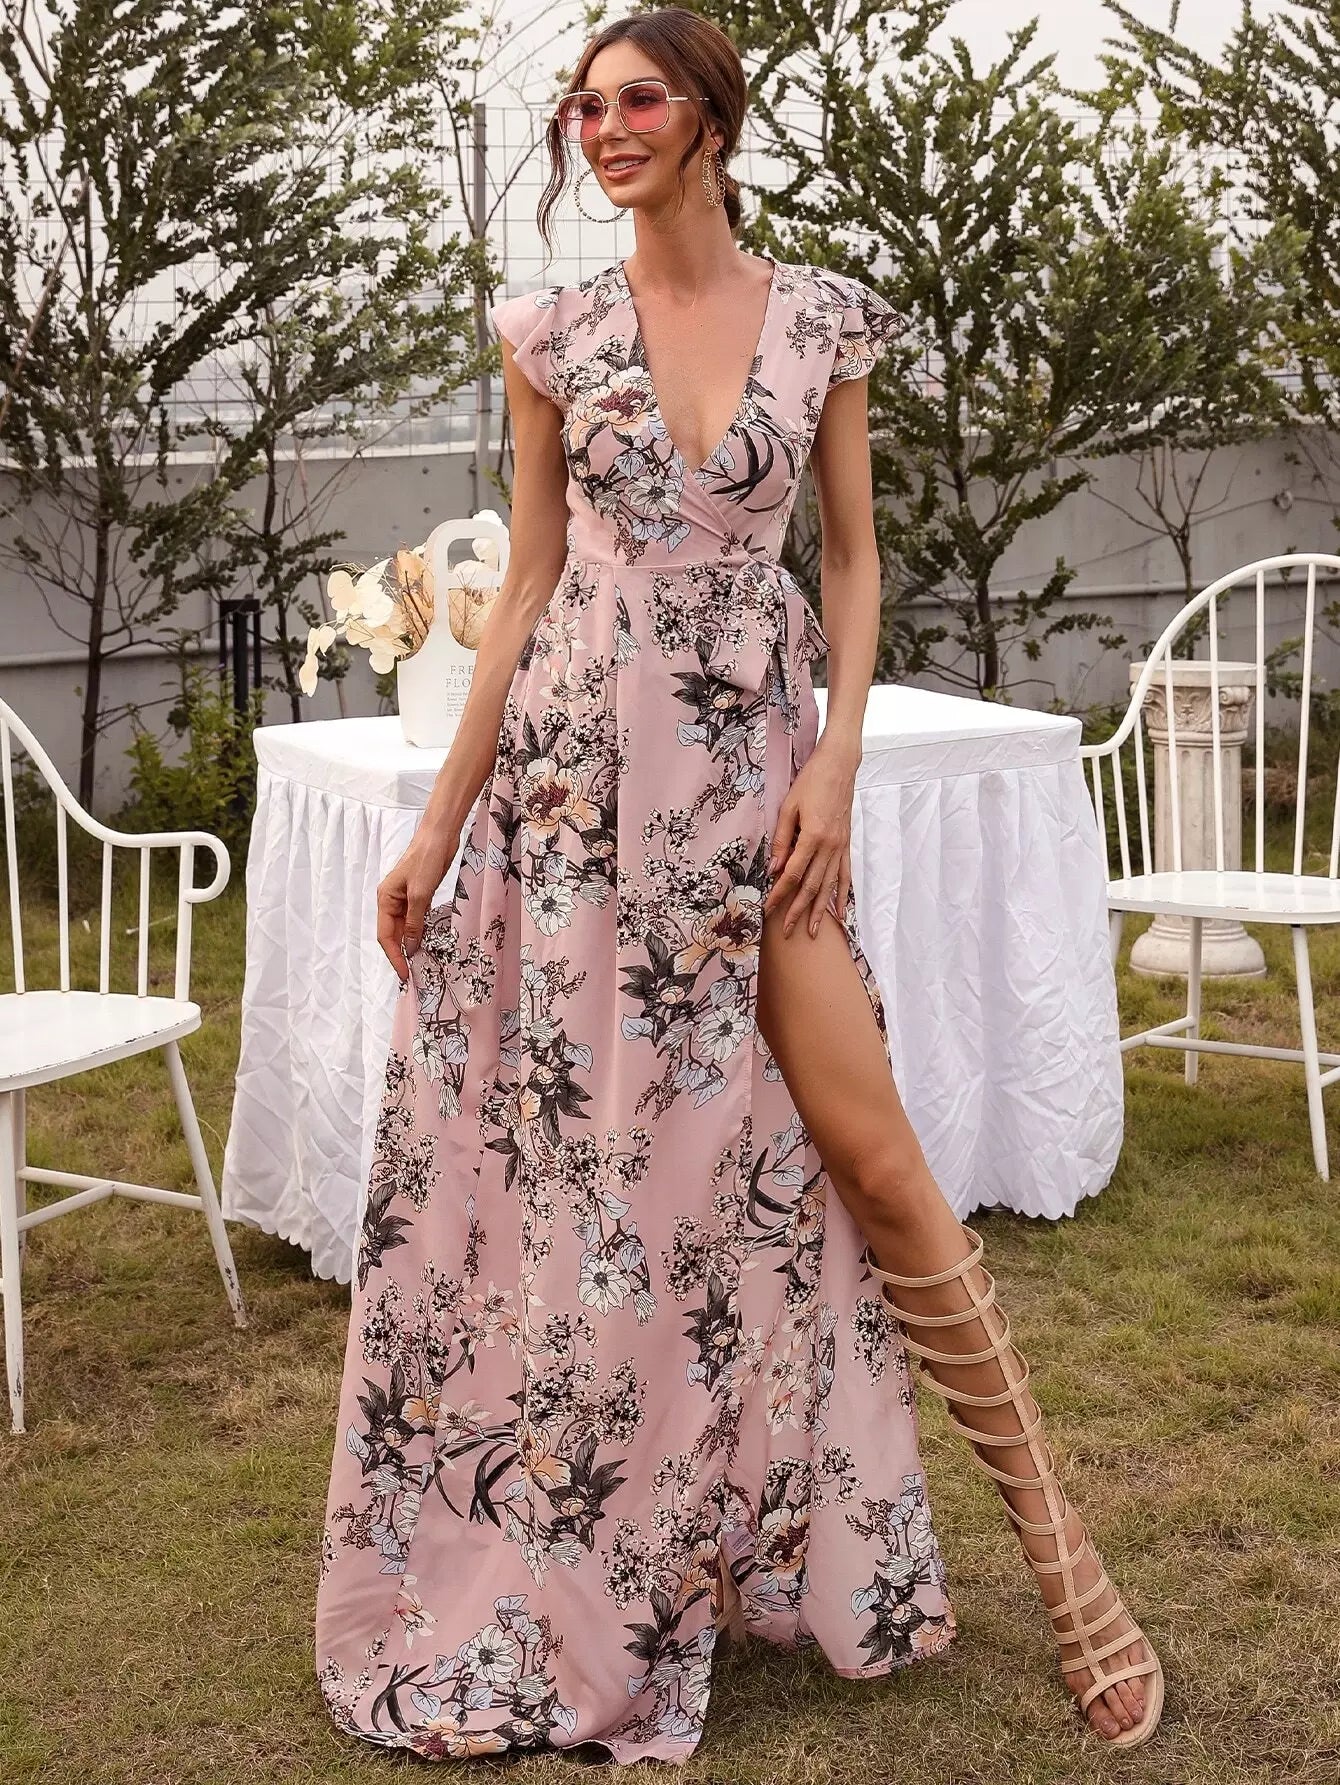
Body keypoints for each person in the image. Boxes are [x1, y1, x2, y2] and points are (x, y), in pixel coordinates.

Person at [314, 5, 1162, 1765]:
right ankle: (617, 1557)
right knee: (605, 1195)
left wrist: (835, 762)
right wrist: (438, 826)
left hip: (759, 792)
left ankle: (1070, 1564)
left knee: (876, 1154)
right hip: (577, 804)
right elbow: (528, 583)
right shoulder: (552, 335)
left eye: (638, 99)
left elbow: (852, 558)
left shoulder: (822, 319)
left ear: (711, 119)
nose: (604, 125)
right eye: (587, 106)